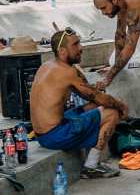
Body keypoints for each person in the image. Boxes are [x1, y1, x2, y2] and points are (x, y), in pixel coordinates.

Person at [29, 29, 127, 178]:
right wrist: (121, 106)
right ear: (62, 51)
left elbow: (90, 96)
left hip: (41, 134)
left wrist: (77, 70)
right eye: (75, 45)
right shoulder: (66, 72)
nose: (81, 48)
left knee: (95, 107)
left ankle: (91, 158)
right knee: (112, 112)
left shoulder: (47, 66)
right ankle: (91, 166)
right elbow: (99, 98)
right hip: (54, 136)